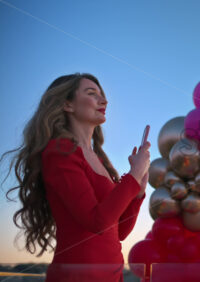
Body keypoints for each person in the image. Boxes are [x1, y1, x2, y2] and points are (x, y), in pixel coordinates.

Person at [2, 73, 150, 281]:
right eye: (92, 93)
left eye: (102, 94)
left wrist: (138, 193)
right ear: (68, 105)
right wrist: (133, 176)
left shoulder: (98, 160)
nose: (104, 100)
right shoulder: (59, 151)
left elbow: (118, 232)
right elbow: (96, 221)